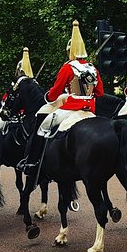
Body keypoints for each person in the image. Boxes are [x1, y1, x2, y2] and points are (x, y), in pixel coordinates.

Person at [18, 20, 104, 176]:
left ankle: (33, 162)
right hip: (90, 109)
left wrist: (49, 97)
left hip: (72, 108)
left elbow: (55, 92)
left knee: (43, 127)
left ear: (70, 51)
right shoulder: (92, 67)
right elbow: (99, 92)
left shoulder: (68, 67)